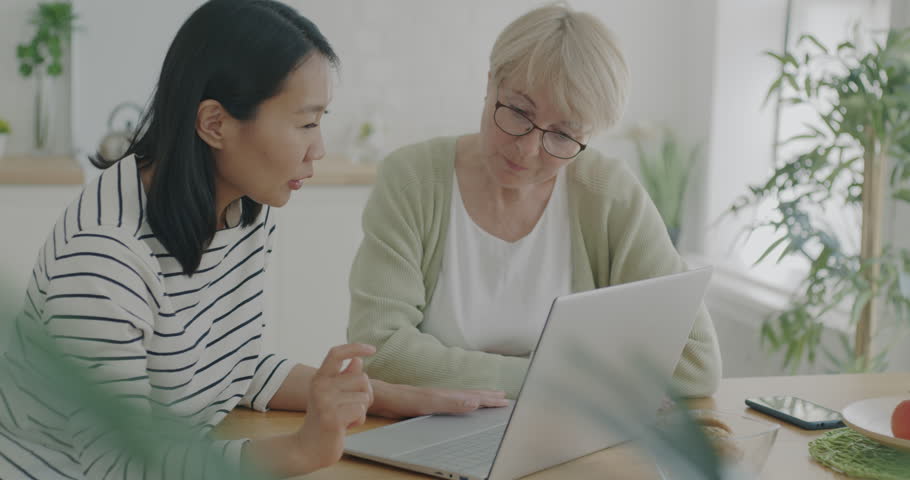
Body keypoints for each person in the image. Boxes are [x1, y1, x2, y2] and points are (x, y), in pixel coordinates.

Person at [0, 1, 507, 478]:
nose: (319, 149)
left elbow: (231, 364)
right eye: (305, 122)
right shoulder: (102, 262)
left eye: (321, 120)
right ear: (214, 123)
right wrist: (297, 449)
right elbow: (117, 469)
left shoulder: (240, 210)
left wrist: (389, 397)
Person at [348, 4, 722, 400]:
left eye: (562, 135)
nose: (526, 149)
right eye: (518, 111)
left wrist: (461, 372)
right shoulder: (413, 178)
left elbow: (693, 365)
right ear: (490, 83)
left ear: (588, 136)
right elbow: (380, 351)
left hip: (564, 439)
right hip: (424, 432)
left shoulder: (608, 194)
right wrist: (558, 381)